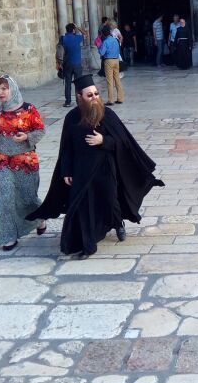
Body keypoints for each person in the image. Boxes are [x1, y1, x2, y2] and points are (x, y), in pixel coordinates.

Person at [27, 75, 164, 259]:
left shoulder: (107, 114)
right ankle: (86, 244)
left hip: (105, 168)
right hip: (80, 169)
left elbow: (122, 142)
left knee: (110, 200)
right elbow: (66, 147)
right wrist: (66, 170)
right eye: (89, 95)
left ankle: (118, 224)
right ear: (79, 96)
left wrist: (103, 140)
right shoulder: (72, 117)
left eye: (96, 94)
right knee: (80, 206)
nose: (94, 98)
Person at [0, 76, 47, 251]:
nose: (0, 93)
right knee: (6, 198)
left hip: (25, 161)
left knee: (27, 198)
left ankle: (40, 218)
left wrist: (27, 137)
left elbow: (40, 130)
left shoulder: (28, 109)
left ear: (13, 89)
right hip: (3, 162)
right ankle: (8, 236)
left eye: (4, 88)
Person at [57, 23, 84, 107]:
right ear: (73, 30)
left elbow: (59, 51)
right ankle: (79, 101)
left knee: (68, 83)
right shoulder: (78, 38)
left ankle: (68, 102)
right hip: (77, 64)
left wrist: (59, 63)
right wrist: (78, 27)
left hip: (67, 64)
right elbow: (85, 33)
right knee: (78, 83)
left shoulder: (63, 38)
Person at [98, 26, 123, 105]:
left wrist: (99, 47)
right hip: (116, 60)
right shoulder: (115, 40)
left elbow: (102, 52)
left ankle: (110, 100)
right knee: (117, 79)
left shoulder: (105, 42)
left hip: (108, 61)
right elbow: (118, 50)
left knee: (110, 81)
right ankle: (120, 98)